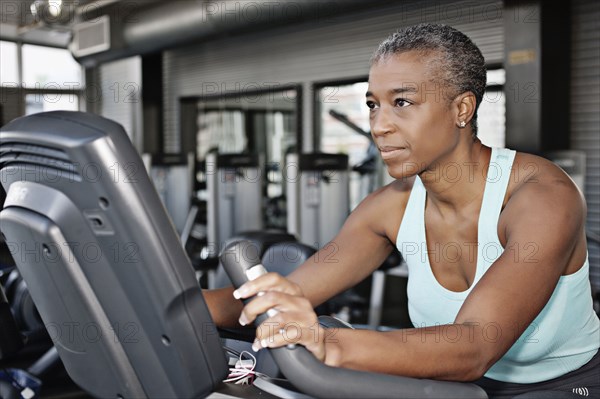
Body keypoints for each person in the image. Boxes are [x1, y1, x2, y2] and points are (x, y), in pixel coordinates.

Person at [204, 24, 600, 398]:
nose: (378, 125)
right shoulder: (388, 207)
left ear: (462, 109)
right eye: (374, 105)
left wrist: (328, 342)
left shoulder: (543, 197)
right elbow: (284, 294)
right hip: (450, 388)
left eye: (402, 102)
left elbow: (476, 344)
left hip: (560, 388)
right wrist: (175, 304)